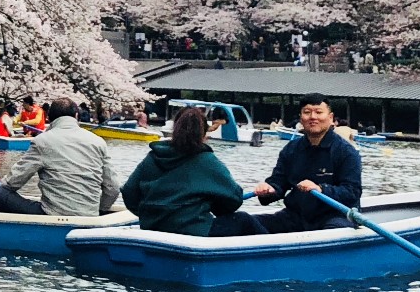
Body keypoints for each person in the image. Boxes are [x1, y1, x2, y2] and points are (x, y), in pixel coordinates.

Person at [120, 107, 257, 237]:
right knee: (244, 220)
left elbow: (129, 192)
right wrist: (211, 205)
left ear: (174, 129)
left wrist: (149, 215)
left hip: (152, 228)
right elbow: (234, 198)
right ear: (203, 133)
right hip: (193, 231)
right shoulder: (206, 160)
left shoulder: (153, 157)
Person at [244, 95, 364, 234]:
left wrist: (321, 189)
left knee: (333, 231)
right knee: (241, 221)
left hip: (335, 217)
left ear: (330, 118)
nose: (313, 117)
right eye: (307, 112)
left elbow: (352, 192)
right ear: (301, 118)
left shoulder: (346, 152)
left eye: (319, 112)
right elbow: (278, 183)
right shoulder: (291, 149)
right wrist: (268, 189)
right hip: (296, 217)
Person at [0, 98, 121, 218]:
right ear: (76, 116)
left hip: (53, 215)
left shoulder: (42, 141)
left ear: (50, 119)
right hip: (89, 215)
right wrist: (98, 210)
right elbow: (113, 188)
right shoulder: (98, 142)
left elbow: (12, 183)